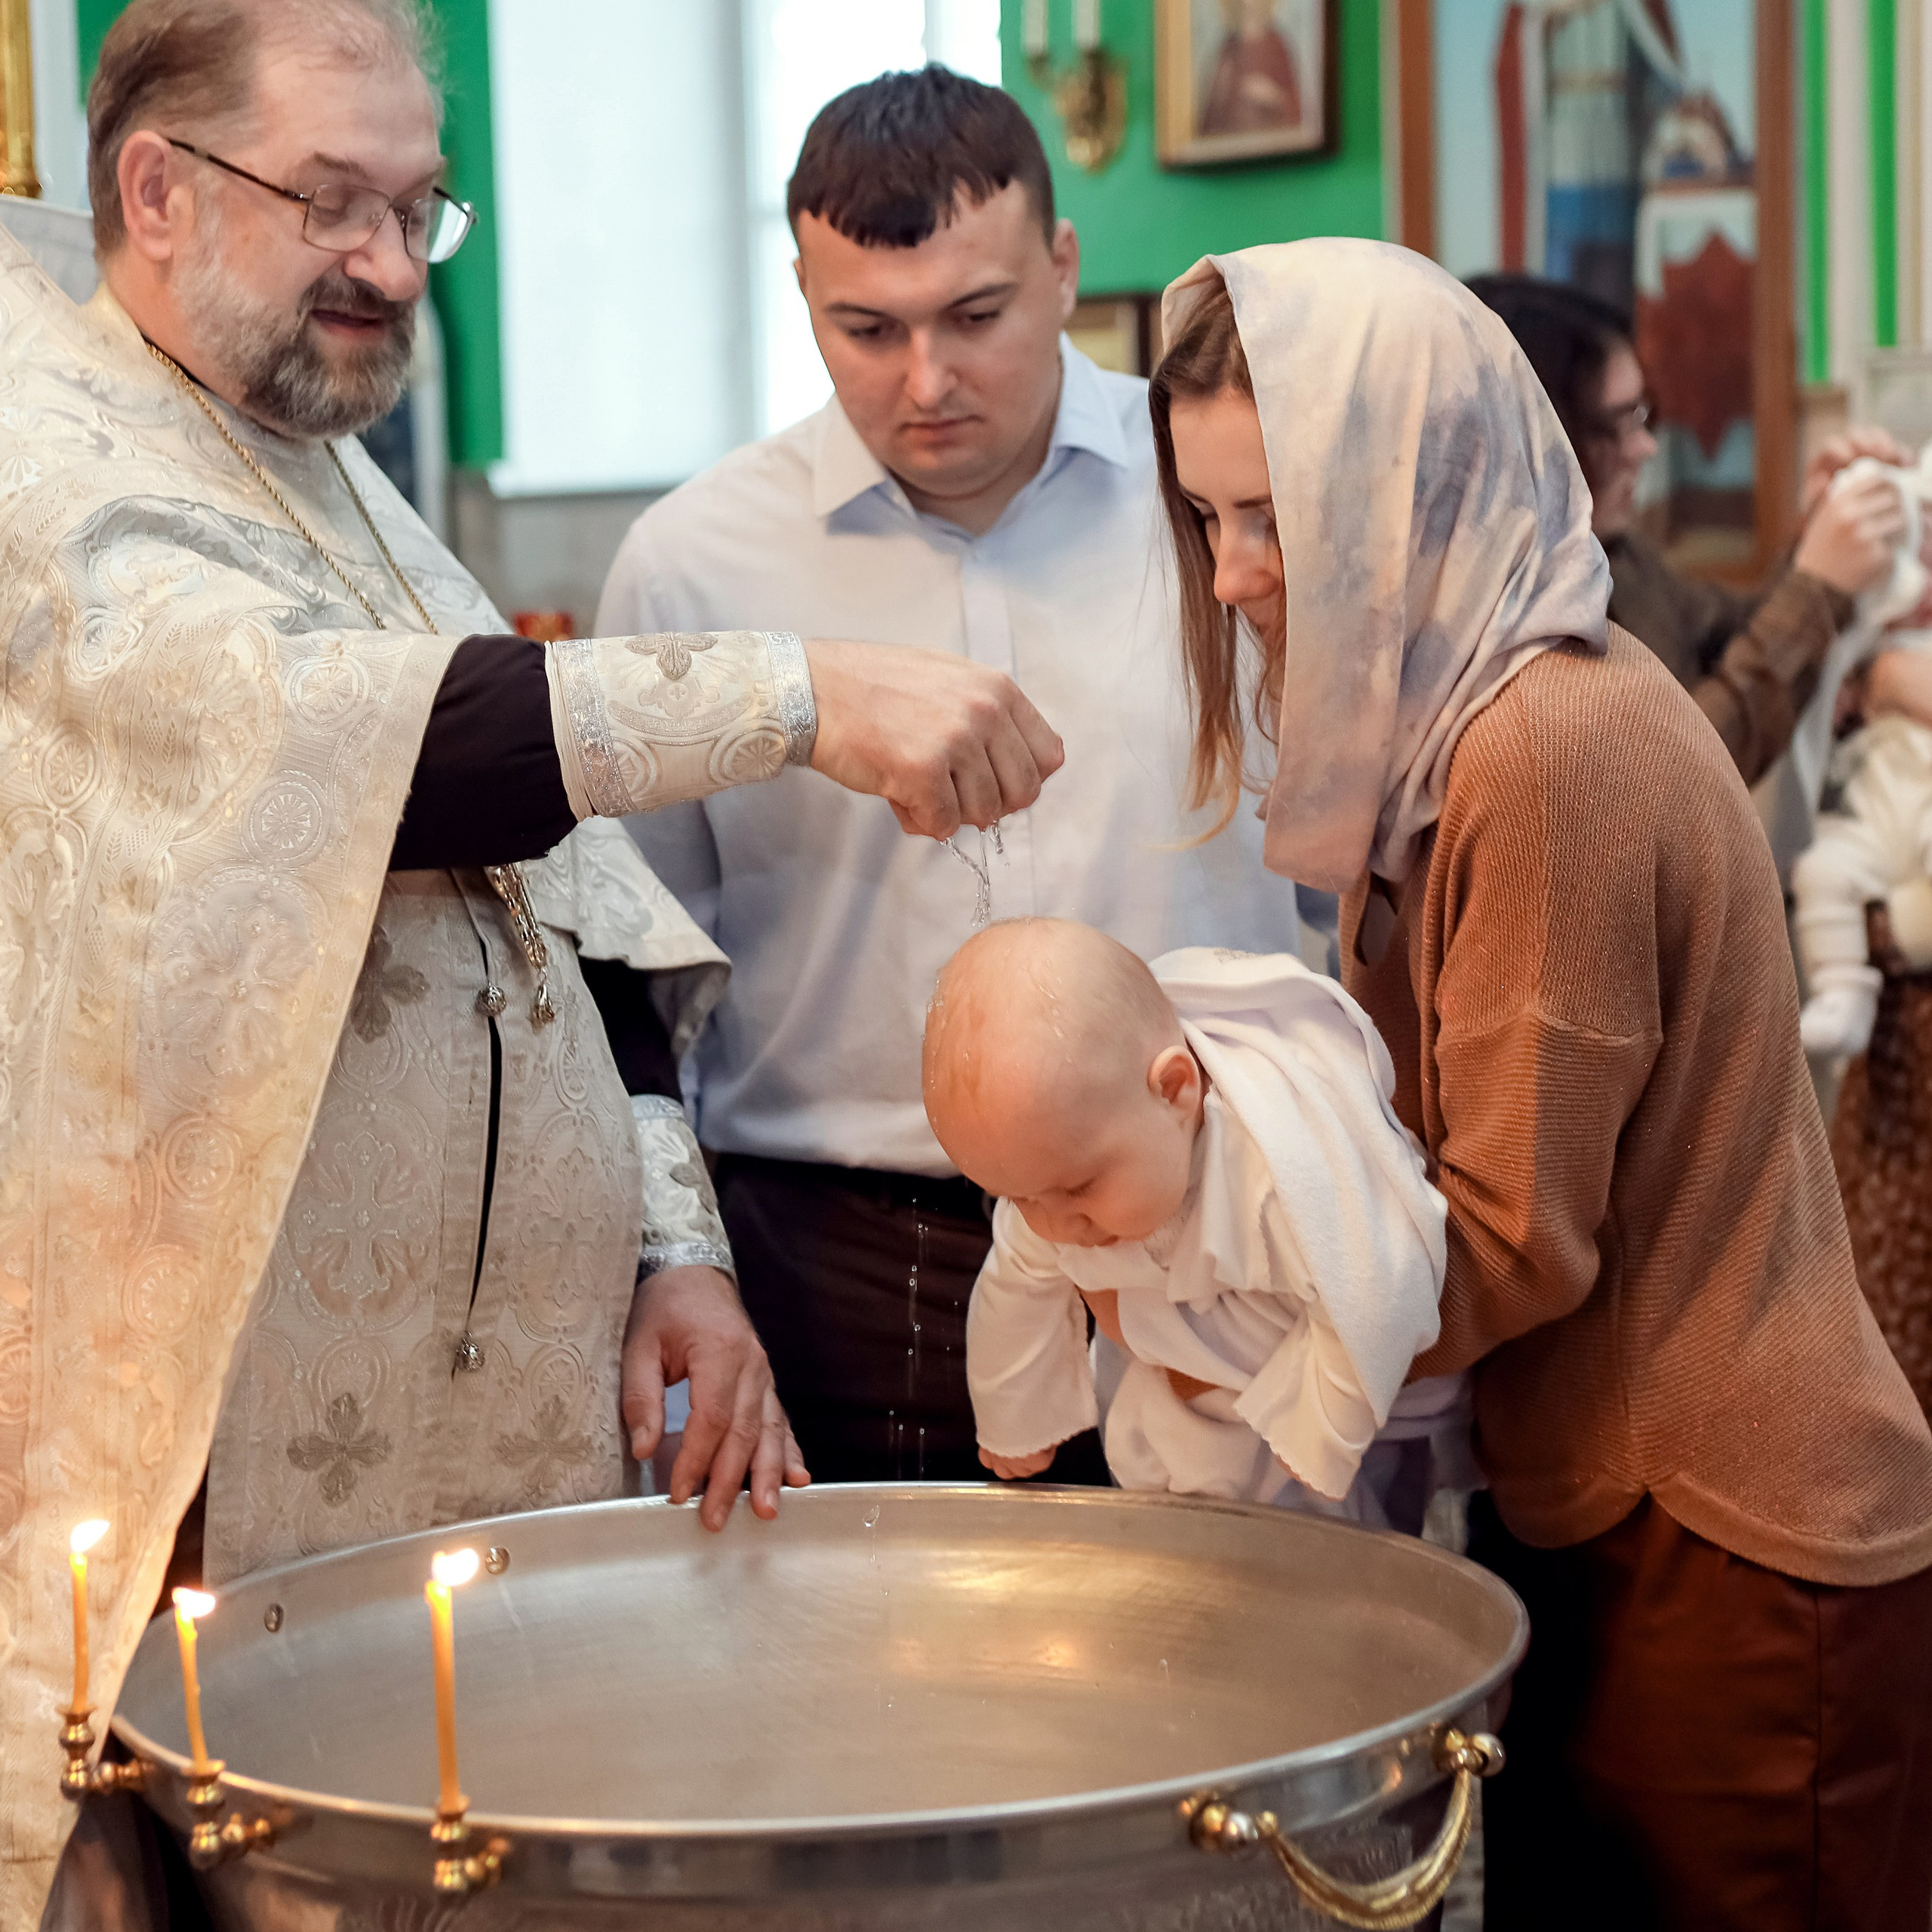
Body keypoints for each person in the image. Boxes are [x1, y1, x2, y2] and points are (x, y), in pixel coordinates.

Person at [3, 5, 1064, 1921]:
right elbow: (335, 746)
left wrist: (675, 1248)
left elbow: (575, 906)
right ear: (152, 189)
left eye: (420, 208)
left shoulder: (328, 470)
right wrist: (804, 696)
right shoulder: (44, 441)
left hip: (510, 1436)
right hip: (227, 1453)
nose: (389, 266)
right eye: (333, 199)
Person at [1151, 238, 1932, 1930]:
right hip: (1607, 1494)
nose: (1229, 577)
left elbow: (1513, 1235)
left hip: (1724, 1528)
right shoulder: (1471, 708)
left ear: (1402, 487)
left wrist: (1210, 1319)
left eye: (1271, 516)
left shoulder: (1539, 746)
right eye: (1206, 517)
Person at [599, 66, 1302, 1487]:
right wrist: (672, 1259)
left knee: (1211, 1685)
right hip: (832, 1254)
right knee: (862, 1695)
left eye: (975, 317)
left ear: (1061, 268)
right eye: (866, 329)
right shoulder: (691, 565)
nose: (927, 381)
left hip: (1214, 1211)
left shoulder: (1225, 500)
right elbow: (631, 959)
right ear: (799, 289)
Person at [924, 919, 1470, 1532]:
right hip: (1175, 1396)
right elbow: (1016, 1280)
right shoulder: (1057, 1160)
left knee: (1325, 1545)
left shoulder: (1277, 1173)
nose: (1056, 1225)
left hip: (1324, 1402)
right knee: (1164, 1486)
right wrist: (1013, 1418)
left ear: (1176, 1089)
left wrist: (1321, 1430)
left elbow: (1378, 1283)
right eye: (1019, 1198)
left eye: (1079, 1190)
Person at [1469, 271, 1910, 788]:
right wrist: (1817, 589)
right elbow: (1680, 776)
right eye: (1620, 422)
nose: (1646, 448)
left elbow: (1734, 631)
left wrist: (1814, 536)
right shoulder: (1522, 635)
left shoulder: (1620, 557)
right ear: (1545, 439)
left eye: (1643, 414)